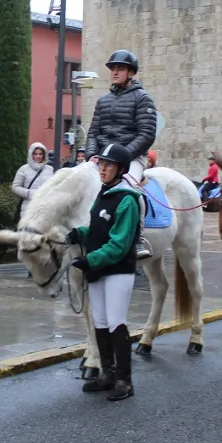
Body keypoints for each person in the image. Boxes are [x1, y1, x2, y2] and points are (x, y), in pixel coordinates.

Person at [64, 143, 142, 402]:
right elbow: (100, 229)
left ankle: (124, 380)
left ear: (121, 169)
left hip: (118, 270)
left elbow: (119, 243)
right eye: (101, 164)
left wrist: (89, 260)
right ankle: (107, 374)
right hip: (98, 269)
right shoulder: (103, 194)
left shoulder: (127, 200)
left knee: (116, 322)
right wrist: (81, 233)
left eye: (108, 165)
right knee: (100, 321)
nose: (103, 168)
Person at [84, 50, 157, 258]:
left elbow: (146, 134)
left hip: (132, 156)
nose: (115, 72)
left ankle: (137, 239)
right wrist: (91, 154)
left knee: (132, 188)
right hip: (103, 157)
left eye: (120, 69)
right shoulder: (103, 100)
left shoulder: (143, 99)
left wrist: (123, 156)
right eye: (113, 69)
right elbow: (93, 132)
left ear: (131, 72)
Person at [12, 142, 53, 221]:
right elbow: (15, 187)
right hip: (28, 209)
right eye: (35, 154)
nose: (38, 156)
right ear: (31, 155)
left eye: (40, 154)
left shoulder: (50, 170)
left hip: (45, 209)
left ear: (44, 155)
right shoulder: (23, 169)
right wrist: (29, 193)